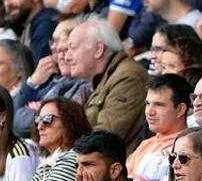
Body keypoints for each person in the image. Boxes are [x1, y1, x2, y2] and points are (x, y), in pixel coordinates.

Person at [62, 18, 148, 152]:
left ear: (98, 49)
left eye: (72, 48)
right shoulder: (101, 79)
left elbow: (104, 138)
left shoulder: (128, 77)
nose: (66, 57)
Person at [19, 97, 88, 181]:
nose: (40, 126)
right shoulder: (48, 161)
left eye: (47, 119)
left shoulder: (72, 159)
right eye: (37, 120)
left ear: (69, 122)